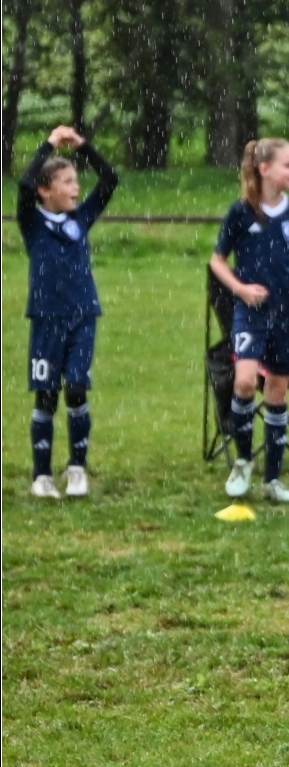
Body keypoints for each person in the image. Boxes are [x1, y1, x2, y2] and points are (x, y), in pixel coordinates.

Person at [210, 139, 289, 503]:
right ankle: (243, 462)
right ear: (265, 169)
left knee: (277, 392)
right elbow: (218, 261)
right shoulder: (242, 212)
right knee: (244, 382)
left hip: (287, 314)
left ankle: (273, 480)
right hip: (251, 313)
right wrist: (241, 289)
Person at [18, 125, 116, 499]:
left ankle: (77, 469)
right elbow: (24, 185)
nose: (77, 188)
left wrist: (83, 147)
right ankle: (41, 476)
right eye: (68, 181)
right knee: (46, 396)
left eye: (77, 180)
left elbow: (110, 180)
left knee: (76, 389)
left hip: (82, 316)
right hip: (46, 318)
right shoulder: (33, 222)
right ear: (46, 191)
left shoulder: (81, 218)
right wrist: (49, 145)